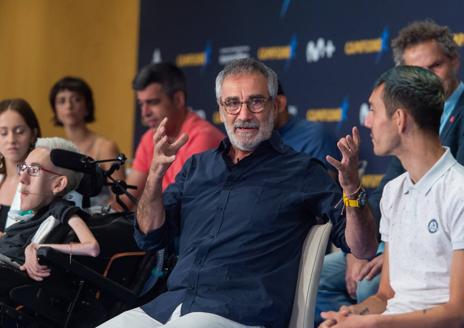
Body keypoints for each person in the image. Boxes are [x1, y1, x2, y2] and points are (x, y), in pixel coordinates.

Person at [99, 58, 377, 328]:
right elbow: (148, 236)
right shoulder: (197, 167)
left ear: (274, 106)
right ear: (220, 108)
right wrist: (155, 176)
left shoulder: (301, 171)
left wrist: (352, 191)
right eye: (232, 103)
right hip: (169, 306)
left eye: (255, 102)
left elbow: (362, 247)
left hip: (238, 313)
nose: (243, 115)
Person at [316, 20, 464, 321]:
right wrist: (351, 314)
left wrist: (373, 324)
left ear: (399, 119)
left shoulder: (458, 191)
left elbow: (458, 313)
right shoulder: (395, 192)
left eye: (372, 110)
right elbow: (386, 297)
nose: (367, 122)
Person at [0, 137, 100, 299]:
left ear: (59, 184)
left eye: (34, 170)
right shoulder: (36, 213)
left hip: (9, 273)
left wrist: (37, 247)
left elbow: (91, 247)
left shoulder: (60, 208)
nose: (22, 178)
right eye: (23, 168)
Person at [119, 62, 224, 210]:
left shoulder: (202, 138)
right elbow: (126, 199)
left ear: (178, 100)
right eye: (141, 104)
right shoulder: (150, 137)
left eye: (153, 102)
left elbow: (183, 206)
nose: (145, 113)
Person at [50, 76, 125, 205]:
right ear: (55, 110)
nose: (69, 106)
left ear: (87, 106)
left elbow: (122, 198)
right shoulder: (55, 149)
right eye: (62, 101)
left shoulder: (105, 147)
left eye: (76, 100)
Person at [274, 81, 339, 179]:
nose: (246, 115)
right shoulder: (250, 141)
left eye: (258, 102)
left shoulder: (314, 136)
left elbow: (324, 190)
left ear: (279, 104)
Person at [0, 98, 41, 232]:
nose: (11, 140)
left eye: (19, 131)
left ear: (33, 135)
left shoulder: (43, 184)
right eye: (3, 133)